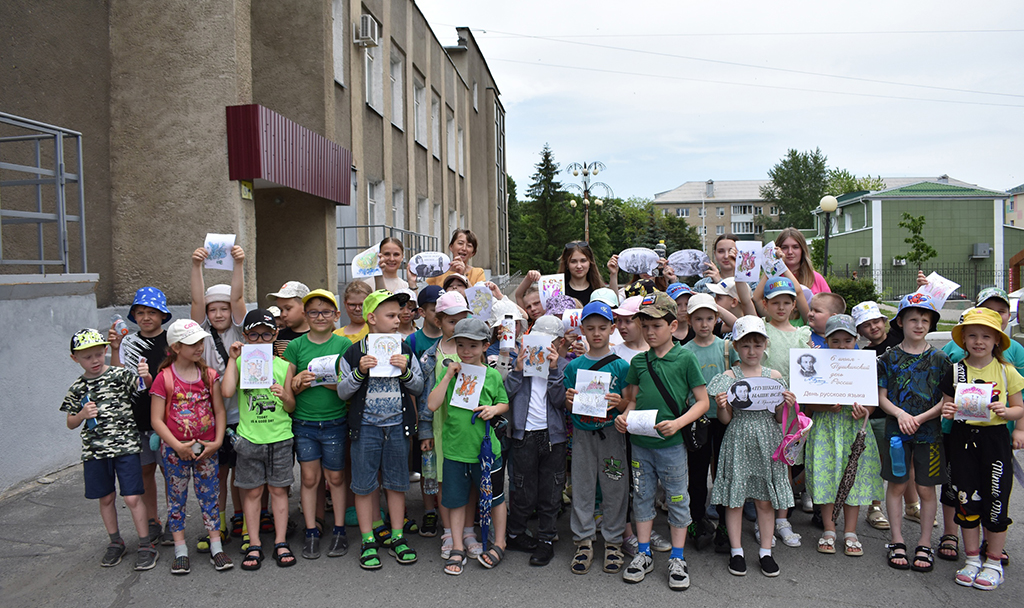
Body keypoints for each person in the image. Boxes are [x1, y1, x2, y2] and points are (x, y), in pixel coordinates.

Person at [614, 291, 709, 590]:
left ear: (673, 325)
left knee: (678, 498)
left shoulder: (685, 358)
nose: (650, 331)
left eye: (657, 325)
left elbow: (702, 402)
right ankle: (643, 553)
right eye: (646, 325)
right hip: (642, 444)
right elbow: (631, 398)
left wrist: (679, 423)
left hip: (672, 446)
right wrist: (624, 416)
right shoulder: (639, 362)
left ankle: (678, 558)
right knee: (641, 497)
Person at [338, 289, 425, 569]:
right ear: (371, 318)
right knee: (364, 486)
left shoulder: (404, 349)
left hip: (397, 426)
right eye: (391, 315)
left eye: (399, 314)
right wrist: (359, 373)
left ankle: (398, 536)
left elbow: (418, 386)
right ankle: (367, 539)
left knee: (397, 484)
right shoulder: (353, 352)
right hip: (366, 428)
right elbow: (342, 392)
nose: (398, 319)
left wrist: (406, 372)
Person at [939, 307, 1024, 590]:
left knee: (996, 498)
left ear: (997, 340)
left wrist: (1008, 412)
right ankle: (972, 558)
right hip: (962, 439)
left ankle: (994, 561)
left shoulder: (1006, 370)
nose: (978, 341)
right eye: (972, 336)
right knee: (966, 497)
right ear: (963, 339)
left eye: (986, 336)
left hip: (995, 441)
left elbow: (1018, 409)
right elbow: (946, 406)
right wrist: (948, 410)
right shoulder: (955, 369)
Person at [706, 316, 796, 578]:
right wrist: (722, 406)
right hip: (738, 438)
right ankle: (737, 552)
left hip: (767, 439)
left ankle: (766, 552)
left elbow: (779, 418)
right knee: (735, 501)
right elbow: (726, 420)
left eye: (757, 345)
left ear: (765, 345)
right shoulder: (728, 377)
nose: (752, 351)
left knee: (765, 501)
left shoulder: (774, 377)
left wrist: (785, 404)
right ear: (736, 346)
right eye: (746, 346)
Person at [62, 329, 158, 571]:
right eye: (87, 357)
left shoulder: (118, 375)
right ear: (75, 358)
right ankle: (115, 541)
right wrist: (82, 415)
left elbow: (144, 387)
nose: (94, 361)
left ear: (105, 351)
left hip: (126, 447)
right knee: (106, 497)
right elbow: (70, 422)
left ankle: (146, 544)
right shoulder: (77, 387)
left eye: (97, 354)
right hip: (95, 452)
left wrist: (145, 376)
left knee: (132, 496)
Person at [427, 318, 510, 574]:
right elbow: (432, 404)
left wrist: (493, 409)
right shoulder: (449, 372)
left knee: (494, 498)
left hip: (485, 451)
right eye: (461, 345)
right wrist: (448, 375)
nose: (466, 351)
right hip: (454, 450)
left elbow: (504, 403)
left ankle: (499, 542)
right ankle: (457, 546)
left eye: (473, 346)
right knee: (455, 499)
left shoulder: (493, 375)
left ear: (486, 346)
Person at [149, 319, 231, 575]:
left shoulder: (209, 375)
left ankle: (216, 546)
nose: (199, 347)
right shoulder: (164, 378)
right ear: (175, 347)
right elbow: (156, 420)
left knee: (210, 496)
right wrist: (177, 446)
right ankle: (180, 549)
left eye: (200, 342)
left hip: (207, 449)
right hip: (175, 452)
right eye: (192, 343)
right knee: (177, 500)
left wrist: (217, 441)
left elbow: (218, 410)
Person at [876, 293, 948, 573]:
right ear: (901, 322)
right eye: (913, 319)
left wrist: (919, 417)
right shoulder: (888, 358)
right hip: (897, 431)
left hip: (929, 433)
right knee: (896, 484)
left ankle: (925, 542)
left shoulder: (940, 359)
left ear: (930, 324)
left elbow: (946, 400)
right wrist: (902, 415)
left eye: (924, 320)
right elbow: (881, 397)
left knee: (926, 488)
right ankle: (896, 540)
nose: (919, 325)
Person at [221, 309, 297, 570]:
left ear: (275, 334)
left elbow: (290, 407)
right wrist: (232, 359)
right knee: (252, 492)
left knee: (278, 490)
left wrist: (284, 395)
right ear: (246, 336)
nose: (261, 340)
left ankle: (280, 541)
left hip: (280, 437)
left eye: (266, 334)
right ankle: (253, 543)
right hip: (250, 438)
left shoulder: (284, 366)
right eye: (254, 335)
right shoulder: (241, 363)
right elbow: (227, 391)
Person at [804, 315, 883, 558]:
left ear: (856, 340)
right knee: (827, 478)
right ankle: (829, 529)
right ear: (826, 340)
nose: (841, 346)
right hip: (826, 429)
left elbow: (872, 402)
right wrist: (825, 406)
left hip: (854, 429)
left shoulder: (865, 363)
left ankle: (851, 531)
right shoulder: (817, 362)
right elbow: (807, 403)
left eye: (847, 340)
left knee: (854, 478)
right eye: (835, 341)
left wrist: (865, 411)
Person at [563, 302, 632, 575]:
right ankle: (583, 540)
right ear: (582, 330)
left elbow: (630, 403)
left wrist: (620, 402)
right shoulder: (574, 367)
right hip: (582, 434)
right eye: (590, 328)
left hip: (611, 433)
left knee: (615, 485)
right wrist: (568, 401)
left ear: (612, 329)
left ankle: (613, 541)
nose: (596, 333)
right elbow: (569, 405)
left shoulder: (621, 366)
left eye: (603, 328)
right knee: (582, 486)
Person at [284, 289, 354, 560]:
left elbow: (350, 385)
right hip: (304, 423)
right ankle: (311, 529)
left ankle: (338, 529)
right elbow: (288, 389)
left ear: (336, 315)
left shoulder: (344, 345)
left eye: (326, 312)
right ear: (305, 315)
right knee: (310, 478)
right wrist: (298, 383)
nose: (320, 317)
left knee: (336, 477)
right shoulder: (296, 346)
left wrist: (331, 381)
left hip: (336, 421)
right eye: (313, 311)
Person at [190, 244, 247, 549]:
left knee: (242, 471)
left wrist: (238, 264)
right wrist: (196, 266)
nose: (219, 313)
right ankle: (219, 522)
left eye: (223, 308)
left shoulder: (239, 331)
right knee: (217, 473)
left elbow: (237, 297)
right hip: (210, 418)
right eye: (214, 309)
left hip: (239, 413)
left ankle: (242, 517)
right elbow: (197, 299)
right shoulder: (199, 332)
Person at [107, 286, 173, 546]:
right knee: (146, 471)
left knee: (170, 471)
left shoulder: (172, 342)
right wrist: (114, 348)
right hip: (136, 418)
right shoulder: (128, 342)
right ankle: (152, 520)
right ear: (133, 316)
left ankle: (173, 519)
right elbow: (117, 376)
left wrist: (153, 380)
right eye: (140, 312)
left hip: (167, 419)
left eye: (152, 312)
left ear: (162, 315)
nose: (146, 317)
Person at [503, 315, 567, 567]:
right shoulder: (518, 362)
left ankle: (546, 539)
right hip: (523, 432)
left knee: (551, 490)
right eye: (537, 340)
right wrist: (518, 371)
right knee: (522, 487)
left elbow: (561, 402)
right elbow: (503, 396)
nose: (542, 346)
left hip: (553, 436)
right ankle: (516, 532)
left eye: (550, 342)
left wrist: (553, 371)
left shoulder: (563, 366)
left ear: (560, 343)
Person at [681, 293, 739, 552]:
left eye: (709, 318)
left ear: (716, 318)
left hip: (726, 419)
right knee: (697, 471)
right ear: (689, 320)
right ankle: (696, 520)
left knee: (725, 472)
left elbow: (741, 377)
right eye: (698, 319)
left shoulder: (726, 347)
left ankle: (727, 523)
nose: (704, 324)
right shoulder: (684, 351)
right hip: (697, 421)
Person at [417, 291, 472, 558]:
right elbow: (423, 398)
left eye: (463, 320)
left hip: (468, 427)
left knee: (468, 479)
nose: (457, 327)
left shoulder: (473, 352)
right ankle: (449, 530)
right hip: (440, 427)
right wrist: (424, 430)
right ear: (438, 322)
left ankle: (469, 530)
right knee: (442, 480)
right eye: (452, 322)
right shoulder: (429, 357)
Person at [851, 300, 900, 532]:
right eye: (866, 325)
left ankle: (911, 505)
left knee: (904, 461)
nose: (873, 327)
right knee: (879, 461)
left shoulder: (900, 341)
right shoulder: (863, 355)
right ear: (859, 331)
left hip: (905, 412)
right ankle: (875, 507)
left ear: (885, 321)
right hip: (878, 414)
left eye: (876, 321)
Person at [422, 229, 486, 287]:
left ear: (473, 253)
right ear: (451, 247)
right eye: (460, 243)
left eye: (469, 246)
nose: (464, 248)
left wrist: (463, 276)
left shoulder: (478, 273)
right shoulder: (439, 271)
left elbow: (479, 299)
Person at [775, 228, 830, 294]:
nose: (790, 252)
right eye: (784, 247)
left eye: (795, 247)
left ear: (802, 250)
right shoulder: (771, 278)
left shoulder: (816, 279)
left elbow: (830, 304)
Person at [268, 281, 311, 357]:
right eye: (281, 310)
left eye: (288, 308)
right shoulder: (277, 337)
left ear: (305, 307)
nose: (283, 314)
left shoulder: (318, 336)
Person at [407, 285, 444, 360]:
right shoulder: (412, 341)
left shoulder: (452, 338)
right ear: (422, 312)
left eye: (444, 309)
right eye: (435, 310)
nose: (441, 314)